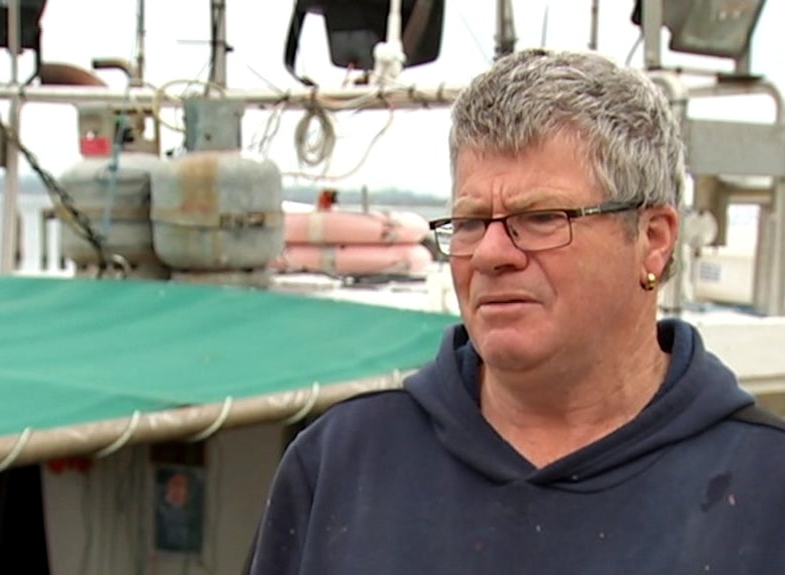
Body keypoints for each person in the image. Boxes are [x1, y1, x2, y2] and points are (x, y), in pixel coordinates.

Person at [247, 48, 785, 574]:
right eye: (472, 221)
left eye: (541, 218)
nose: (490, 254)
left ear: (653, 239)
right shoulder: (341, 466)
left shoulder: (765, 491)